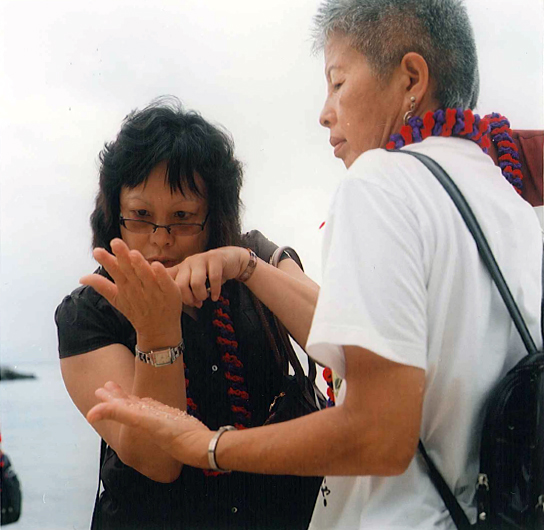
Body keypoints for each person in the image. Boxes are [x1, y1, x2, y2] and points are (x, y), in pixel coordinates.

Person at [84, 1, 543, 528]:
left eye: (338, 82)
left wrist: (209, 445)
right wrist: (251, 267)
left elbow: (378, 436)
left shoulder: (378, 183)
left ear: (411, 78)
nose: (325, 111)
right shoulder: (504, 197)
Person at [55, 98, 323, 530]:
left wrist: (248, 267)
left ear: (213, 217)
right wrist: (157, 332)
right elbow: (155, 462)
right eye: (141, 216)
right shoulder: (87, 313)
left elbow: (343, 343)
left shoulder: (250, 256)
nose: (160, 240)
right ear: (115, 214)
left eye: (182, 218)